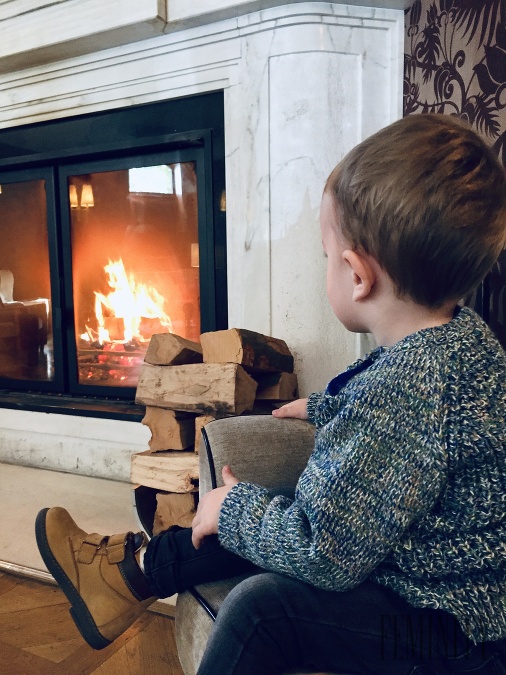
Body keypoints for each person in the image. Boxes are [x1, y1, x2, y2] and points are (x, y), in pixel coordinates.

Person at [36, 113, 506, 674]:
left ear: (358, 275)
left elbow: (326, 552)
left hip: (442, 630)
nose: (326, 265)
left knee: (263, 608)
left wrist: (235, 508)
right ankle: (121, 579)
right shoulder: (463, 340)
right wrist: (330, 408)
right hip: (451, 601)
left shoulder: (405, 389)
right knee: (265, 510)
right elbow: (419, 439)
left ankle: (125, 576)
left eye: (327, 254)